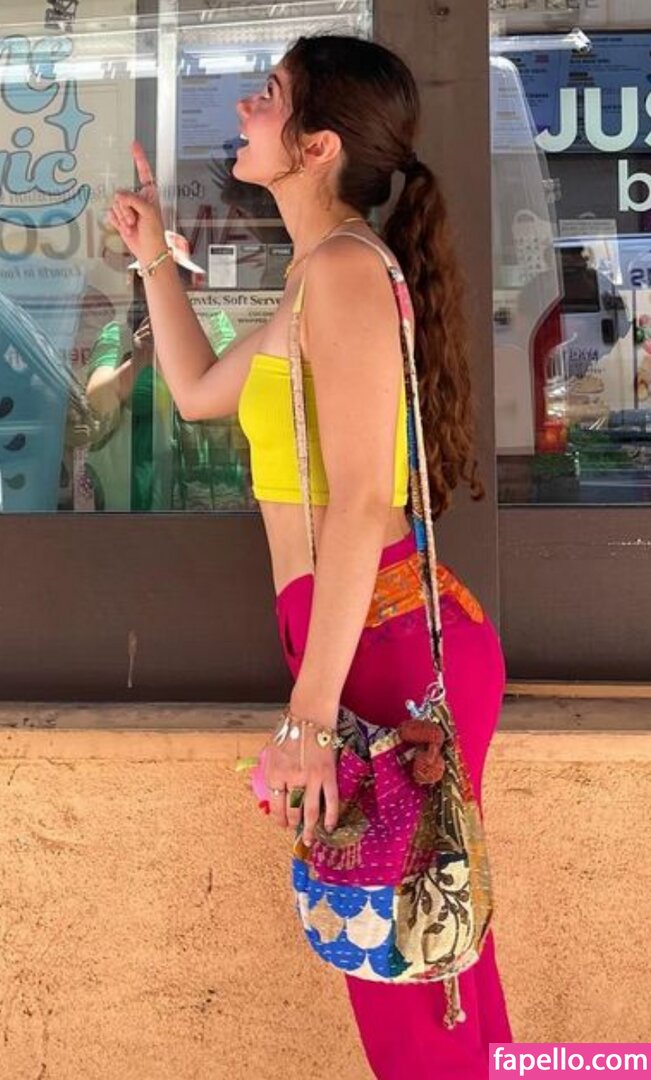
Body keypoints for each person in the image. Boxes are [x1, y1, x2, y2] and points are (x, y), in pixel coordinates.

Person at [108, 34, 512, 1078]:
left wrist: (310, 717)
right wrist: (153, 256)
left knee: (417, 1007)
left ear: (317, 145)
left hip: (377, 647)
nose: (246, 109)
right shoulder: (316, 276)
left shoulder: (342, 272)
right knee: (432, 975)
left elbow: (365, 499)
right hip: (361, 637)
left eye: (269, 95)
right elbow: (201, 393)